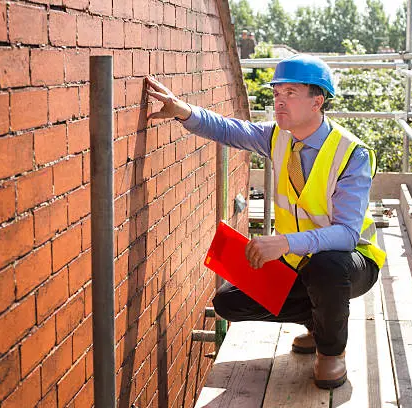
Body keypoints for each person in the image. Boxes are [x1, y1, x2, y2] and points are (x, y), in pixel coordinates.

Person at [146, 54, 386, 389]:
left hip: (351, 263)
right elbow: (231, 131)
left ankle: (331, 352)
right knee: (229, 302)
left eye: (290, 93)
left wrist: (283, 242)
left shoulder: (352, 154)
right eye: (276, 94)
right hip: (298, 261)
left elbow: (346, 235)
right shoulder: (277, 137)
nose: (279, 101)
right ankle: (318, 324)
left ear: (317, 101)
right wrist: (184, 111)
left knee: (326, 268)